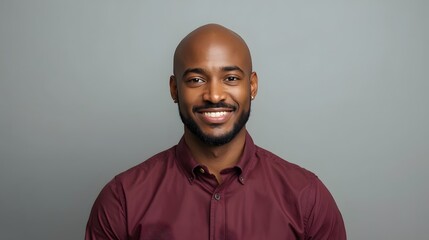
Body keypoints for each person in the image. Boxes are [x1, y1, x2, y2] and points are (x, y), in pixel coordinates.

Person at [85, 23, 346, 240]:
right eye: (196, 80)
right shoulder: (123, 199)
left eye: (231, 78)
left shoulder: (306, 197)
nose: (214, 95)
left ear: (252, 86)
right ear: (174, 89)